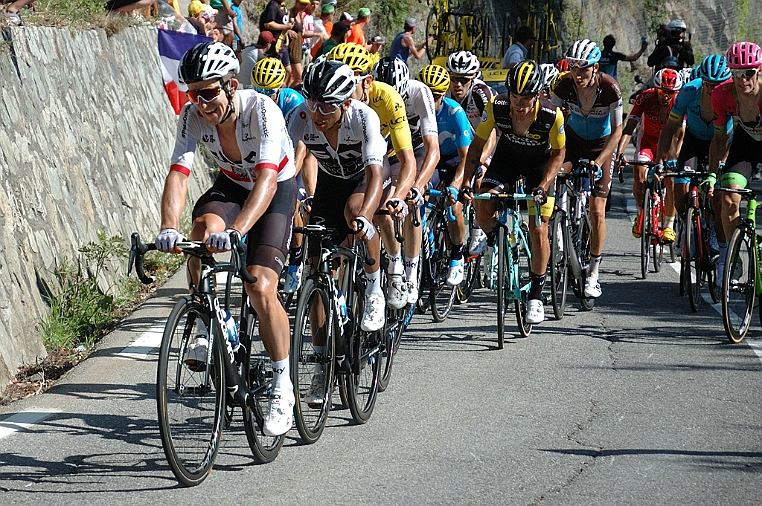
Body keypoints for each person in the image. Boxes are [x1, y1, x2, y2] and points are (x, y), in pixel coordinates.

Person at [157, 42, 298, 437]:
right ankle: (208, 320)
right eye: (193, 93)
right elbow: (178, 173)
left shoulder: (262, 111)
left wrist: (237, 232)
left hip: (275, 188)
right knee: (200, 231)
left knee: (261, 285)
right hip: (234, 185)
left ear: (231, 85)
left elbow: (268, 181)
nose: (201, 103)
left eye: (209, 92)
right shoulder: (192, 115)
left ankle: (282, 384)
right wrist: (169, 226)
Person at [285, 59, 390, 331]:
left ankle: (374, 289)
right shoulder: (300, 117)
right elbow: (282, 169)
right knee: (317, 268)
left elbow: (375, 175)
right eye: (313, 102)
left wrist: (366, 218)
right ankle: (320, 363)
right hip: (330, 182)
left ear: (345, 103)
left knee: (355, 211)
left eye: (327, 105)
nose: (317, 113)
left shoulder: (364, 117)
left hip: (364, 178)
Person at [460, 60, 565, 324]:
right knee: (482, 204)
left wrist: (542, 186)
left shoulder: (552, 115)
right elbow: (477, 145)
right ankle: (497, 240)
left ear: (538, 94)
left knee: (538, 228)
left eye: (526, 97)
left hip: (539, 167)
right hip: (507, 160)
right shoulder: (497, 106)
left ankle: (537, 295)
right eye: (515, 96)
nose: (519, 104)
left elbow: (559, 154)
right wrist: (466, 180)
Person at [326, 43, 416, 309]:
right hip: (348, 164)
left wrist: (399, 197)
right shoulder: (331, 101)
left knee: (381, 213)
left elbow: (407, 159)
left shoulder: (387, 98)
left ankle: (396, 266)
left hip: (385, 158)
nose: (342, 89)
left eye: (349, 82)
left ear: (368, 81)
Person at [551, 39, 623, 299]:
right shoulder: (563, 85)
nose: (577, 75)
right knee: (554, 179)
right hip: (572, 142)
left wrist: (600, 160)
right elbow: (550, 121)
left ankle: (593, 273)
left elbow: (617, 131)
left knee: (597, 210)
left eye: (583, 70)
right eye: (573, 68)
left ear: (595, 67)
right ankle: (557, 240)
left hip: (601, 146)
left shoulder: (610, 88)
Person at [373, 56, 440, 303]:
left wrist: (418, 186)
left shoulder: (420, 92)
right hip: (387, 153)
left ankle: (411, 272)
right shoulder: (372, 94)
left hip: (417, 151)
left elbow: (433, 148)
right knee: (381, 207)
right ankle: (394, 261)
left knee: (412, 200)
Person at [655, 55, 731, 242]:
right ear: (701, 81)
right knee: (680, 192)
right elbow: (670, 128)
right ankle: (687, 226)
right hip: (694, 140)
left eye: (716, 85)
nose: (711, 90)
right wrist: (659, 159)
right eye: (707, 84)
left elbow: (733, 136)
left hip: (723, 142)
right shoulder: (689, 91)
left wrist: (721, 164)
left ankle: (714, 232)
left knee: (717, 196)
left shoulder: (731, 95)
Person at [708, 42, 762, 283]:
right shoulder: (721, 94)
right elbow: (720, 138)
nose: (742, 80)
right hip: (746, 143)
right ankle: (734, 257)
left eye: (748, 73)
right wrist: (712, 174)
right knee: (728, 197)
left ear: (758, 71)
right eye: (736, 73)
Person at [417, 64, 473, 286]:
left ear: (444, 94)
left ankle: (457, 255)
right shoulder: (413, 109)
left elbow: (467, 157)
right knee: (418, 197)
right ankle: (426, 236)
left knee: (454, 206)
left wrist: (455, 186)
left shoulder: (454, 112)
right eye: (426, 95)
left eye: (437, 96)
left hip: (454, 159)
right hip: (429, 158)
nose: (430, 101)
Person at [616, 68, 683, 242]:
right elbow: (629, 127)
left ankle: (668, 225)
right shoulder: (645, 97)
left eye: (670, 92)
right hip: (647, 141)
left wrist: (677, 157)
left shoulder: (679, 101)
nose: (666, 96)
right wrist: (620, 152)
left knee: (671, 180)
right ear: (655, 89)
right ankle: (641, 213)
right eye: (662, 92)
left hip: (670, 145)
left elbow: (682, 134)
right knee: (639, 175)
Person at [444, 50, 497, 255]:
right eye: (453, 78)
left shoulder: (481, 93)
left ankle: (478, 228)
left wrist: (479, 163)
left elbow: (492, 135)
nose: (457, 84)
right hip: (462, 146)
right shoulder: (446, 93)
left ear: (473, 77)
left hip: (487, 144)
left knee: (478, 180)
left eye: (463, 80)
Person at [260, 0, 295, 79]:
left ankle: (282, 88)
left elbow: (283, 23)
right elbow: (268, 24)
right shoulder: (273, 5)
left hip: (282, 42)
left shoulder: (282, 5)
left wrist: (286, 35)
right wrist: (286, 27)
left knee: (288, 70)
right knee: (276, 71)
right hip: (273, 43)